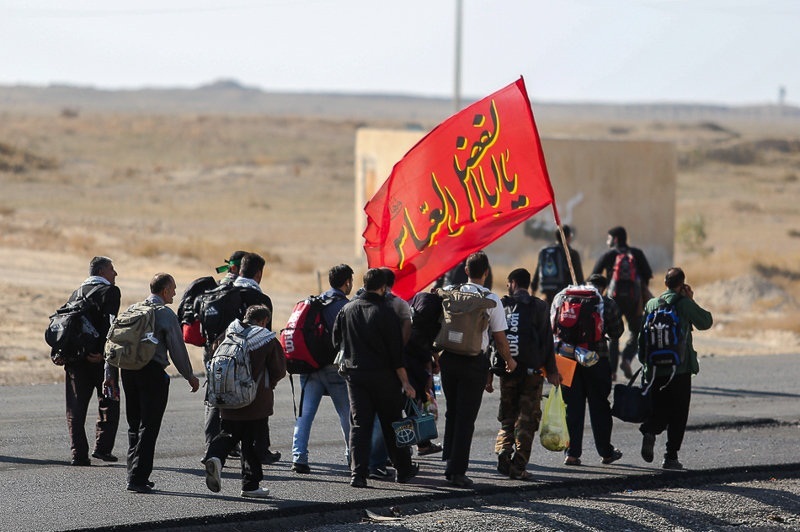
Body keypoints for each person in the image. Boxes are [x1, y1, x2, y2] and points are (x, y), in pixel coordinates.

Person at [107, 273, 200, 493]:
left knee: (134, 424)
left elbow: (114, 342)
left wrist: (109, 374)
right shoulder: (165, 314)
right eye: (174, 289)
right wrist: (189, 375)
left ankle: (134, 473)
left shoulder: (132, 310)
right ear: (165, 290)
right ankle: (139, 478)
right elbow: (177, 347)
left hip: (128, 372)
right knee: (149, 426)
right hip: (152, 373)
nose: (175, 293)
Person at [332, 268, 419, 488]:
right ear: (383, 288)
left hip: (355, 376)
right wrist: (405, 382)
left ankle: (358, 474)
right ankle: (403, 470)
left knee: (360, 425)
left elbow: (336, 341)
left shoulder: (347, 308)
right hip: (384, 378)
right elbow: (396, 353)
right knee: (392, 424)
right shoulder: (386, 311)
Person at [439, 251, 515, 488]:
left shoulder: (451, 291)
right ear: (486, 273)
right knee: (466, 417)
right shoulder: (490, 298)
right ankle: (457, 471)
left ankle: (449, 461)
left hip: (448, 358)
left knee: (452, 411)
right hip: (473, 362)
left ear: (466, 271)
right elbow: (500, 339)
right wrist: (509, 361)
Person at [204, 305, 287, 498]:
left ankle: (214, 457)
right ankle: (250, 485)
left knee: (228, 433)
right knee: (251, 443)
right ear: (264, 320)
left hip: (227, 397)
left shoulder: (229, 333)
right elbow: (279, 370)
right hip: (255, 401)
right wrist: (271, 383)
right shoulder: (265, 339)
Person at [638, 267, 713, 470]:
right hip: (679, 369)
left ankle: (650, 431)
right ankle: (670, 456)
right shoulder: (684, 304)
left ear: (665, 284)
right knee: (678, 413)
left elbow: (641, 339)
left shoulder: (651, 304)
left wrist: (645, 365)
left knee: (659, 408)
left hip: (654, 369)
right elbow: (706, 322)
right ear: (682, 284)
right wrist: (690, 299)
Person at [491, 268, 560, 480]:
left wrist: (491, 371)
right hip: (532, 373)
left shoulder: (503, 305)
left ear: (512, 283)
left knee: (507, 418)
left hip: (507, 371)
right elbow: (547, 341)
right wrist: (553, 371)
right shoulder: (539, 306)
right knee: (527, 421)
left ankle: (503, 450)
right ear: (527, 284)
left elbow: (494, 339)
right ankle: (518, 466)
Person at [291, 264, 354, 474]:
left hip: (309, 366)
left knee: (305, 414)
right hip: (333, 368)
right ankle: (352, 455)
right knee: (346, 413)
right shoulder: (345, 306)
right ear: (347, 282)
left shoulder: (316, 302)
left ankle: (299, 457)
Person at [560, 274, 625, 466]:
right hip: (597, 359)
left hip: (569, 359)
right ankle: (606, 453)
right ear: (603, 287)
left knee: (572, 407)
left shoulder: (568, 299)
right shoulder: (606, 302)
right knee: (600, 407)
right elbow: (617, 332)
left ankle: (571, 453)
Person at [62, 256, 121, 466]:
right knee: (109, 401)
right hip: (100, 359)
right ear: (102, 272)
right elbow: (110, 325)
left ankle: (78, 454)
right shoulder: (111, 292)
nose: (115, 273)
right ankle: (103, 448)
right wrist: (103, 354)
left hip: (75, 359)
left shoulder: (76, 293)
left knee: (75, 408)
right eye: (112, 269)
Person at [592, 226, 653, 380]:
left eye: (609, 238)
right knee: (637, 332)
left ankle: (612, 372)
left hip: (613, 300)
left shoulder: (609, 254)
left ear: (616, 239)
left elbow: (594, 276)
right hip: (634, 300)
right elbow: (648, 275)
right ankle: (626, 359)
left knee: (613, 335)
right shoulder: (637, 253)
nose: (607, 242)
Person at [531, 225, 584, 307]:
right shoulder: (572, 253)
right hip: (565, 296)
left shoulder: (546, 252)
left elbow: (537, 275)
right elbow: (579, 278)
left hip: (547, 294)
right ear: (569, 237)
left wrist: (533, 292)